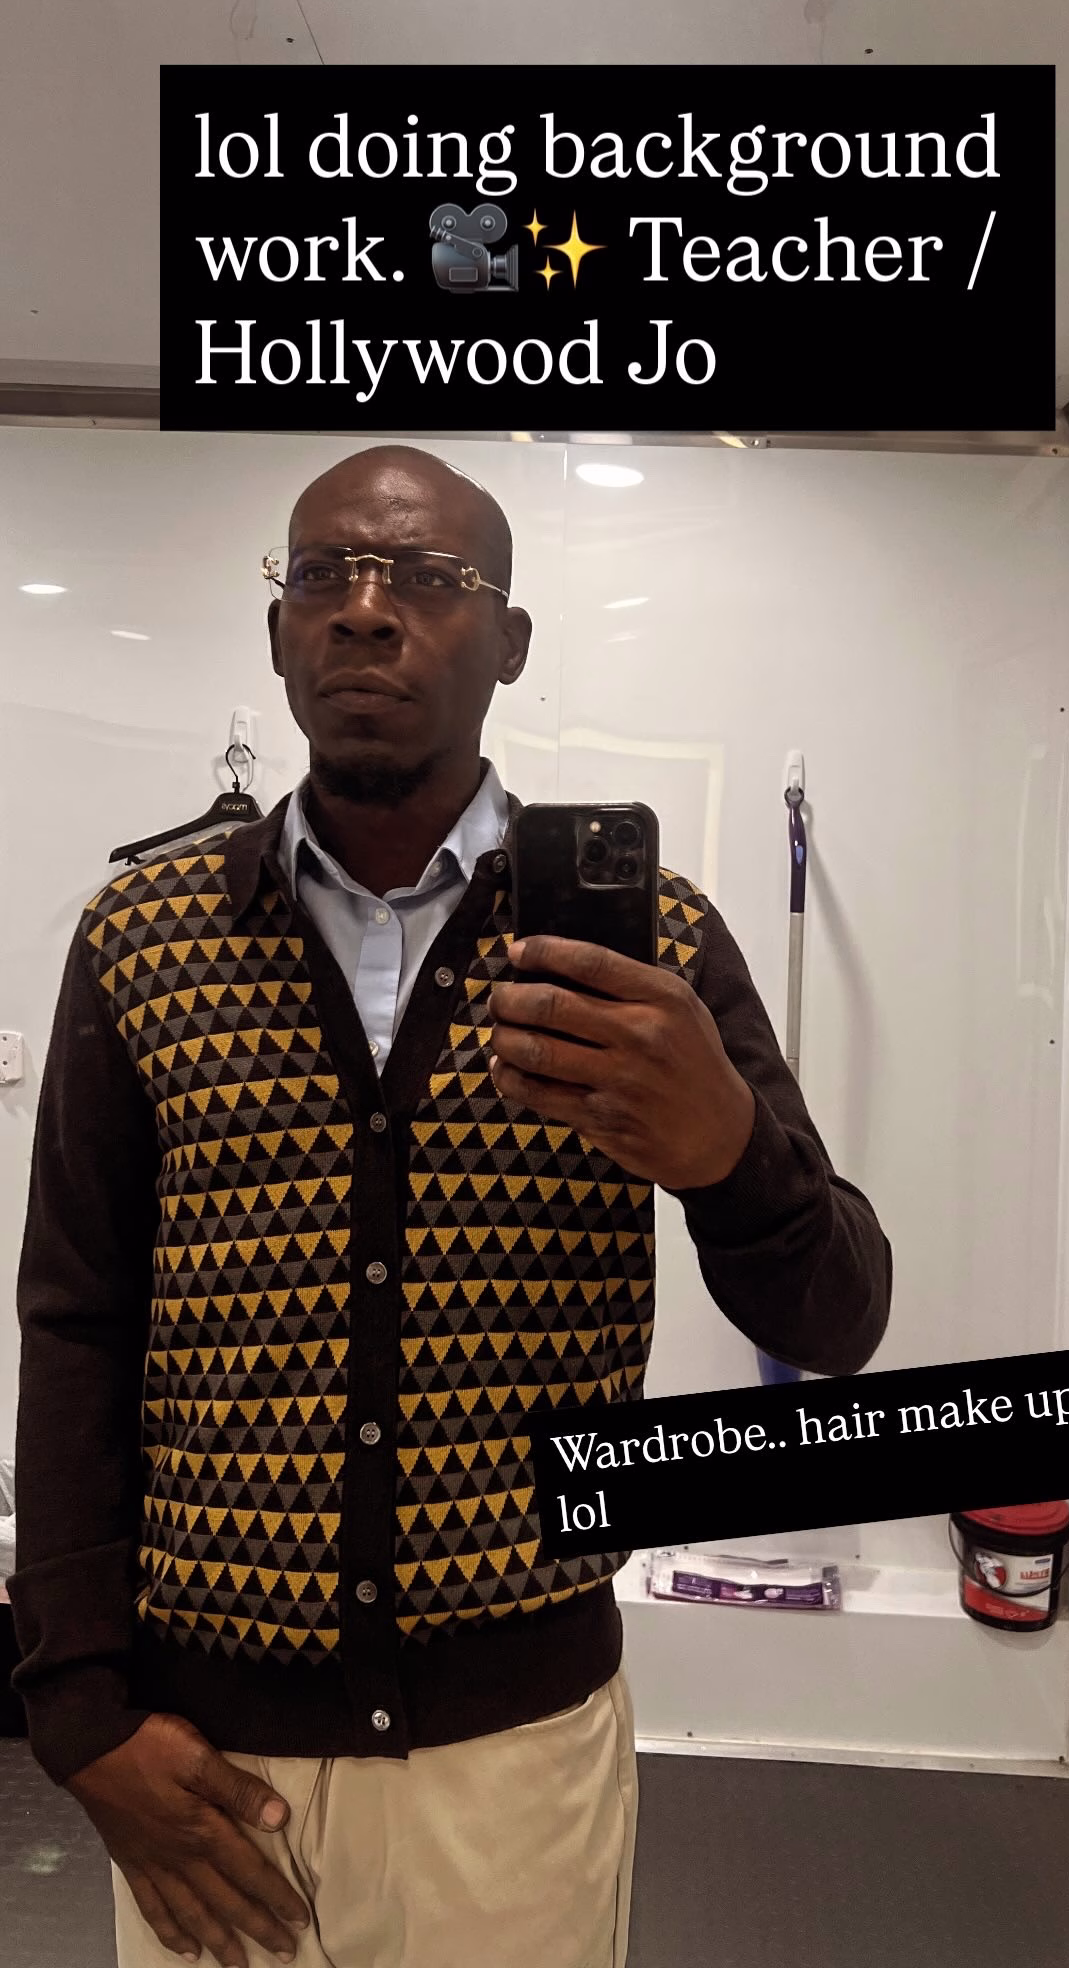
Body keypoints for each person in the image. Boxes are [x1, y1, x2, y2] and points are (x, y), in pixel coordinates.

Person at [9, 443, 892, 1968]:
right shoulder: (143, 937)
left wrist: (725, 1149)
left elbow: (838, 1320)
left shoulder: (653, 947)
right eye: (323, 577)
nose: (364, 610)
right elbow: (76, 1322)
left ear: (511, 642)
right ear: (277, 631)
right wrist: (77, 1711)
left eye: (426, 578)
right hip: (202, 1751)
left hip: (514, 1758)